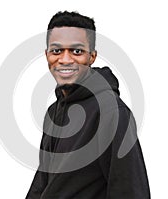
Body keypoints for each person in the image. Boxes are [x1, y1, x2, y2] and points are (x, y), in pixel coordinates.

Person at [26, 11, 150, 199]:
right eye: (57, 51)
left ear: (92, 56)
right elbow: (42, 184)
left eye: (76, 51)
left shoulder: (112, 112)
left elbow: (130, 191)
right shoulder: (53, 112)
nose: (65, 60)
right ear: (47, 55)